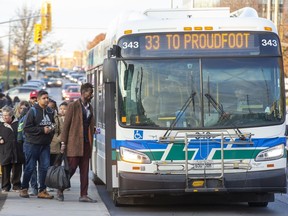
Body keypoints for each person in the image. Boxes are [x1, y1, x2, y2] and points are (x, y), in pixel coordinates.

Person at [59, 83, 96, 202]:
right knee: (71, 168)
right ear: (84, 93)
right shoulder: (73, 106)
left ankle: (83, 195)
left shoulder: (90, 107)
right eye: (90, 93)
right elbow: (66, 126)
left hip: (86, 144)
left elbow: (90, 124)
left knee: (85, 171)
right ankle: (61, 188)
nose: (92, 95)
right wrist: (63, 143)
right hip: (74, 144)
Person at [19, 90, 55, 199]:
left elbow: (53, 124)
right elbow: (26, 128)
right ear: (38, 99)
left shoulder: (50, 111)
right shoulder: (32, 111)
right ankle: (24, 188)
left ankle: (42, 190)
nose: (46, 100)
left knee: (45, 167)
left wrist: (51, 130)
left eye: (47, 98)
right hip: (32, 144)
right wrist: (42, 130)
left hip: (45, 145)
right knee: (30, 167)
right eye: (44, 98)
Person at [0, 106, 25, 192]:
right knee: (6, 169)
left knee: (17, 168)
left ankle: (16, 185)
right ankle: (5, 186)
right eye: (3, 115)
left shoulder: (18, 123)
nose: (5, 117)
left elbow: (23, 133)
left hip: (17, 149)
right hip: (5, 150)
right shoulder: (1, 124)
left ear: (11, 115)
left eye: (7, 115)